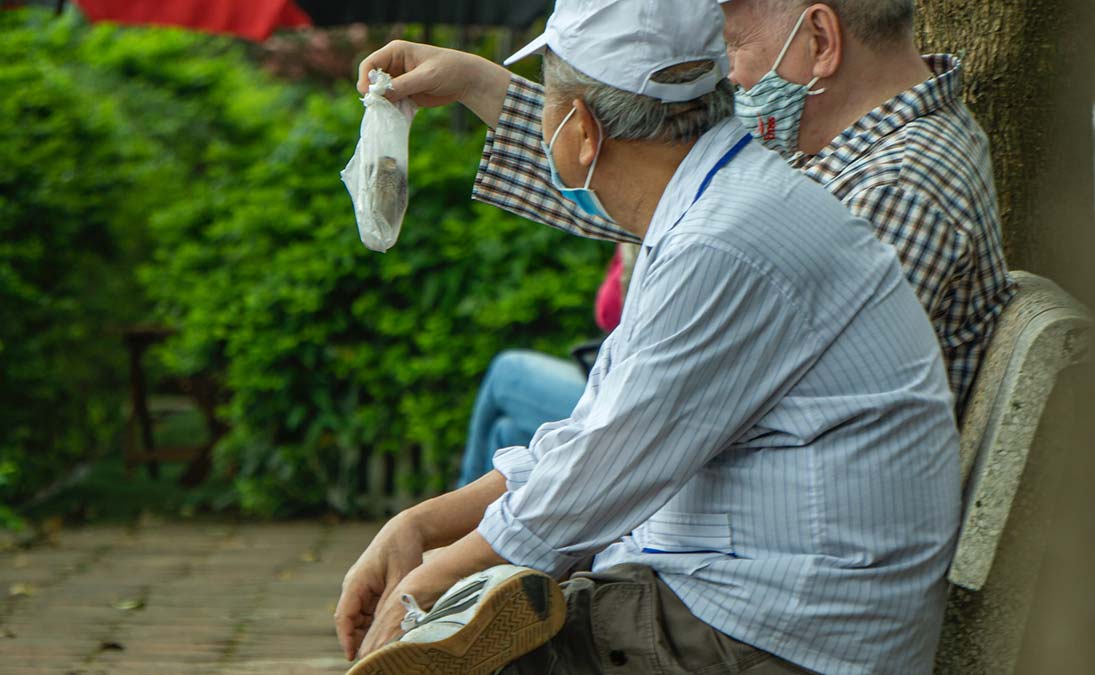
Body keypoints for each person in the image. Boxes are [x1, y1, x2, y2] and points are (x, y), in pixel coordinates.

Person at [336, 1, 961, 673]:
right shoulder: (714, 206)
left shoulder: (725, 240)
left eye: (546, 101)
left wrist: (424, 583)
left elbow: (595, 478)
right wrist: (421, 527)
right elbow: (589, 436)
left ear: (579, 131)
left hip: (773, 631)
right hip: (756, 605)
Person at [472, 0, 1013, 419]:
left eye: (735, 43)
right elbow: (660, 193)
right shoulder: (862, 153)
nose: (730, 76)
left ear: (820, 39)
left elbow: (717, 401)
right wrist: (480, 88)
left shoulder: (895, 190)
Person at [456, 246, 628, 489]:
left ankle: (458, 507)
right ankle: (480, 520)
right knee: (506, 433)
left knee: (506, 370)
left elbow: (610, 310)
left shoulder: (660, 237)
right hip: (611, 380)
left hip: (623, 396)